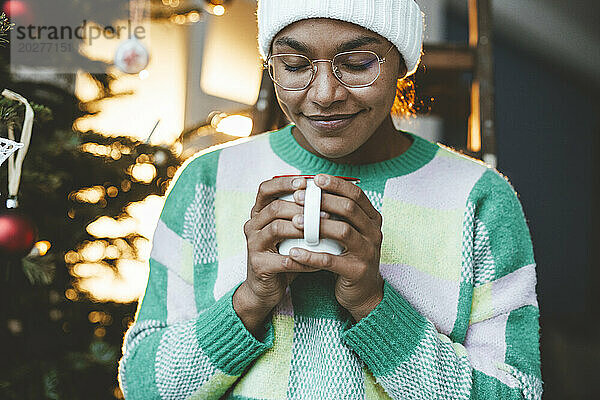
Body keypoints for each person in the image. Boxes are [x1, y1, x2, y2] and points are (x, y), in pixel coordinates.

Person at [118, 0, 542, 399]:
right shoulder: (206, 181)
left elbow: (517, 392)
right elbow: (144, 387)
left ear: (400, 61)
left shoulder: (479, 199)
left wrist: (374, 305)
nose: (323, 95)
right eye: (295, 65)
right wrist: (249, 300)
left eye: (358, 63)